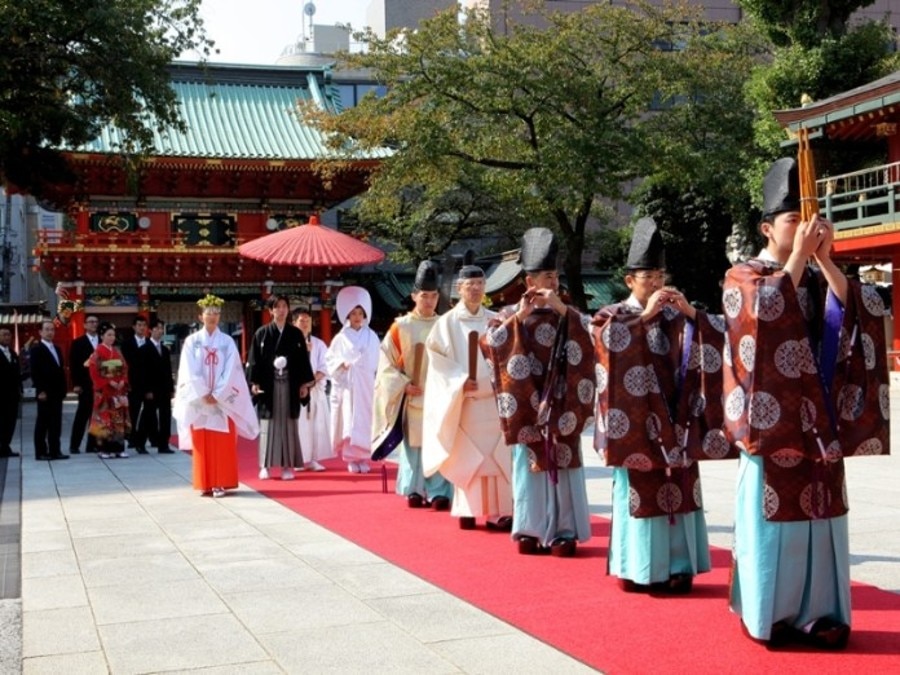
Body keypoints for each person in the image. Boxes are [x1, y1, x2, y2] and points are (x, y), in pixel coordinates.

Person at [722, 158, 889, 649]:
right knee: (775, 523)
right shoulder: (744, 275)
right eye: (794, 220)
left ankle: (821, 611)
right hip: (774, 426)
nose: (805, 229)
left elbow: (867, 310)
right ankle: (769, 613)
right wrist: (798, 258)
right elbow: (765, 310)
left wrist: (824, 260)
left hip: (822, 420)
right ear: (768, 226)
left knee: (824, 519)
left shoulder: (818, 273)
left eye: (811, 220)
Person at [593, 217, 726, 593]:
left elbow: (720, 337)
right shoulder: (612, 315)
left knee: (682, 485)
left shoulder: (678, 315)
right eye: (646, 275)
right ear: (629, 279)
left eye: (659, 274)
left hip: (678, 418)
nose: (655, 282)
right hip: (636, 423)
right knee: (639, 491)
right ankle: (638, 566)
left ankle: (681, 565)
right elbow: (605, 344)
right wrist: (646, 315)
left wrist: (693, 316)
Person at [482, 228, 595, 555]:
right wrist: (519, 317)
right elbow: (490, 345)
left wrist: (562, 310)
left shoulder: (568, 315)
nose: (553, 281)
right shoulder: (508, 316)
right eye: (546, 276)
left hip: (564, 404)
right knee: (528, 466)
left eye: (555, 275)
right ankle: (529, 528)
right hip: (528, 404)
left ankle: (564, 530)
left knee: (565, 463)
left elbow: (595, 340)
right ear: (530, 281)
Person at [422, 265, 513, 531]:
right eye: (469, 284)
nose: (475, 289)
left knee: (497, 456)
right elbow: (437, 361)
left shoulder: (497, 319)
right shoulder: (446, 323)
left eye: (479, 283)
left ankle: (500, 512)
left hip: (495, 402)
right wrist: (460, 381)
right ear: (459, 288)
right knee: (469, 456)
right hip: (465, 401)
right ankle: (467, 509)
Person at [373, 260, 453, 509]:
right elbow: (385, 363)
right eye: (424, 296)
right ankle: (414, 488)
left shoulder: (445, 325)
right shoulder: (401, 327)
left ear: (437, 296)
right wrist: (403, 384)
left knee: (438, 441)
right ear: (414, 296)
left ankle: (439, 490)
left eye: (432, 296)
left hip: (438, 396)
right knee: (414, 443)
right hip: (413, 394)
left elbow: (455, 358)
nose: (428, 301)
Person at [173, 294, 259, 498]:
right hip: (200, 400)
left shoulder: (227, 341)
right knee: (202, 441)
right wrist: (203, 392)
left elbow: (233, 370)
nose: (212, 316)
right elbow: (188, 370)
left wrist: (218, 393)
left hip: (222, 401)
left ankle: (221, 482)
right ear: (200, 315)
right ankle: (205, 482)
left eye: (216, 312)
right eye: (208, 312)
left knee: (222, 442)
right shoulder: (192, 342)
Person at [249, 295, 313, 480]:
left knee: (288, 424)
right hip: (269, 384)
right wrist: (255, 382)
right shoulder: (261, 334)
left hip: (290, 384)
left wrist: (304, 384)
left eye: (285, 306)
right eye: (277, 307)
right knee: (268, 424)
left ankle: (287, 466)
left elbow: (302, 361)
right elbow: (254, 360)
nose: (282, 310)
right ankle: (265, 465)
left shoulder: (295, 334)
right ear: (271, 311)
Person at [326, 286, 380, 474]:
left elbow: (377, 359)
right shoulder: (341, 338)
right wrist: (343, 364)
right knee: (349, 419)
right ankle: (350, 457)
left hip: (366, 384)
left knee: (366, 420)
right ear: (347, 315)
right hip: (348, 385)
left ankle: (364, 457)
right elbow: (330, 360)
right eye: (353, 313)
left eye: (360, 313)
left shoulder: (371, 336)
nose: (357, 317)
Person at [293, 309, 333, 471]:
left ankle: (314, 459)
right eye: (301, 321)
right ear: (294, 323)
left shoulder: (318, 343)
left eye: (308, 321)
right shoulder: (290, 342)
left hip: (314, 389)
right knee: (298, 425)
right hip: (296, 391)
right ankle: (297, 458)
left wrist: (311, 381)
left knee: (316, 425)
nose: (305, 324)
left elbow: (325, 366)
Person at [88, 322, 131, 459]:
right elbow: (94, 371)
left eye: (113, 335)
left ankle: (118, 448)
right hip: (105, 392)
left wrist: (122, 381)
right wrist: (108, 381)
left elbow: (124, 367)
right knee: (104, 421)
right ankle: (104, 449)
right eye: (109, 335)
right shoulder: (98, 352)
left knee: (117, 420)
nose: (112, 338)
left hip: (117, 391)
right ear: (102, 336)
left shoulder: (116, 351)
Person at [30, 320, 69, 461]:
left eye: (52, 329)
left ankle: (55, 450)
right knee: (43, 423)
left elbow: (60, 371)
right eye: (46, 329)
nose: (50, 332)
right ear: (40, 332)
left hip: (57, 392)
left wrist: (64, 389)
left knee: (56, 423)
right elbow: (35, 372)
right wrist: (40, 390)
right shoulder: (36, 349)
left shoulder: (57, 349)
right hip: (45, 393)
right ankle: (40, 452)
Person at [139, 318, 175, 454]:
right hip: (151, 389)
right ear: (150, 330)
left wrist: (171, 389)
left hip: (164, 389)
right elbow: (142, 371)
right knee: (148, 416)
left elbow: (168, 370)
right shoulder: (144, 349)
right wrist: (146, 390)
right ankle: (140, 442)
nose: (159, 331)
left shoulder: (165, 349)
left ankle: (163, 444)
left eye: (161, 329)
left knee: (165, 416)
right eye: (157, 328)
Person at [68, 314, 99, 454]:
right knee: (82, 415)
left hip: (100, 385)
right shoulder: (78, 343)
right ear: (85, 325)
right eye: (90, 322)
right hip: (85, 384)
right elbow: (74, 365)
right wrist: (76, 384)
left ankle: (92, 444)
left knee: (97, 416)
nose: (93, 324)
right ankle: (75, 445)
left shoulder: (103, 341)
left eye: (95, 322)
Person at [122, 315, 150, 453]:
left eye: (144, 325)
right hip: (133, 384)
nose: (142, 327)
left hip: (148, 385)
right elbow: (125, 365)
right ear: (134, 327)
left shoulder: (150, 343)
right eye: (139, 325)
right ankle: (132, 438)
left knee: (148, 413)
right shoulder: (127, 344)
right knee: (133, 412)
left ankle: (142, 441)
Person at [0, 326, 23, 458]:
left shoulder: (13, 353)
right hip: (1, 395)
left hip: (12, 396)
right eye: (3, 335)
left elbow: (16, 374)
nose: (7, 337)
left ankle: (5, 446)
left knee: (11, 422)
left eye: (8, 335)